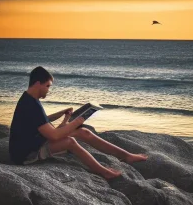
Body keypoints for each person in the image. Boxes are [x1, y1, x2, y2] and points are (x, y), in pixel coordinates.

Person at [9, 66, 148, 179]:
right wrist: (78, 120)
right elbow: (54, 136)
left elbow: (40, 121)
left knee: (84, 132)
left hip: (34, 142)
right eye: (47, 86)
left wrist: (62, 114)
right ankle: (104, 172)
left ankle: (126, 156)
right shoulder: (30, 104)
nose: (48, 90)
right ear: (38, 83)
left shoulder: (30, 99)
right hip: (26, 154)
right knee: (70, 142)